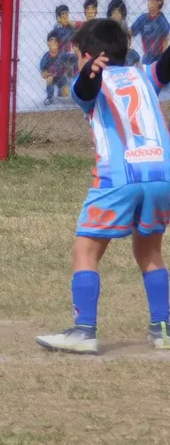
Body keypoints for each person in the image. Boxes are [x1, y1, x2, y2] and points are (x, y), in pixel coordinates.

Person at [35, 20, 170, 354]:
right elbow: (166, 66)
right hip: (162, 173)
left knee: (86, 250)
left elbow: (84, 91)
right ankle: (163, 328)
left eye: (78, 56)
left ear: (88, 55)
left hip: (119, 177)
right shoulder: (144, 75)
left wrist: (91, 73)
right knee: (149, 250)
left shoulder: (92, 79)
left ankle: (83, 331)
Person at [131, 0, 170, 65]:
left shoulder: (161, 20)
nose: (150, 4)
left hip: (159, 57)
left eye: (153, 1)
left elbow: (167, 38)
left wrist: (165, 55)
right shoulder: (143, 18)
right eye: (149, 0)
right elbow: (130, 32)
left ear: (160, 1)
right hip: (147, 57)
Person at [107, 0, 142, 66]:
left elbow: (128, 43)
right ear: (110, 15)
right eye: (113, 12)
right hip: (111, 54)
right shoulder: (106, 27)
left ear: (122, 14)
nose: (116, 15)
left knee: (132, 55)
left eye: (118, 12)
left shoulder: (124, 25)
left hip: (124, 53)